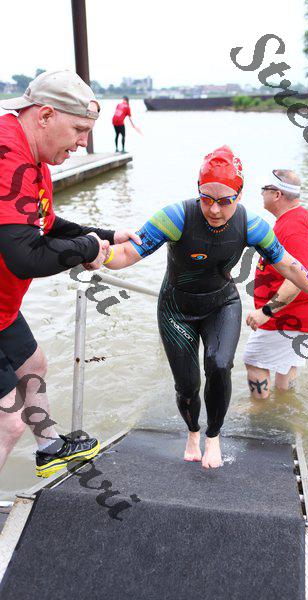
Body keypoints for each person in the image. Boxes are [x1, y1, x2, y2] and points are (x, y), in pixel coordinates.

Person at [98, 146, 308, 469]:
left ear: (239, 196)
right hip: (176, 309)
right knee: (187, 385)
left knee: (219, 364)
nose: (214, 209)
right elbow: (128, 253)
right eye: (206, 199)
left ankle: (213, 436)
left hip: (222, 304)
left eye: (225, 200)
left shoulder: (251, 225)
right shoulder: (175, 217)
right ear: (197, 191)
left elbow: (290, 265)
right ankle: (193, 433)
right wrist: (100, 254)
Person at [0, 70, 140, 478]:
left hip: (3, 307)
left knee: (33, 364)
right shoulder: (7, 155)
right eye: (79, 130)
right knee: (7, 422)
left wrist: (105, 235)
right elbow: (24, 256)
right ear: (45, 116)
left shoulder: (35, 156)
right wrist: (88, 249)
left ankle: (49, 448)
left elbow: (45, 224)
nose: (83, 143)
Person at [243, 169, 308, 399]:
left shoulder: (294, 226)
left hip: (288, 315)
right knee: (285, 370)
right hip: (299, 314)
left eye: (264, 189)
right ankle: (284, 408)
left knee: (253, 359)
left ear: (277, 194)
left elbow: (296, 279)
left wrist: (265, 312)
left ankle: (259, 409)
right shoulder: (298, 218)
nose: (261, 194)